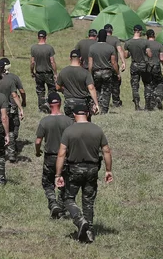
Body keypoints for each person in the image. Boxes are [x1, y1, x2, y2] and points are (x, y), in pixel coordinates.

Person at [55, 104, 113, 243]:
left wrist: (58, 175)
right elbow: (106, 151)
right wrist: (108, 170)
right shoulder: (97, 130)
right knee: (88, 201)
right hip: (92, 169)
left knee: (67, 198)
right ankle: (89, 233)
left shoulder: (69, 131)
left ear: (74, 114)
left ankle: (79, 220)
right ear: (87, 113)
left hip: (74, 169)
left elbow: (61, 154)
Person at [35, 92, 74, 220]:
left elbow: (38, 141)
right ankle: (61, 210)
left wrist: (37, 151)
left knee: (47, 183)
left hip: (50, 157)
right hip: (66, 157)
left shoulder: (44, 121)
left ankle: (52, 203)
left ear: (49, 105)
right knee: (65, 183)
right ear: (60, 103)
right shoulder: (69, 121)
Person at [0, 59, 23, 162]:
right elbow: (15, 95)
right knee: (10, 130)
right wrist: (20, 108)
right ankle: (11, 153)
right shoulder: (9, 81)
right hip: (7, 108)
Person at [57, 49, 100, 117]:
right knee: (83, 125)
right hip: (82, 103)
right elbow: (91, 88)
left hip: (69, 102)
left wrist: (64, 90)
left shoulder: (63, 71)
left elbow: (57, 87)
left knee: (70, 124)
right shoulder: (85, 73)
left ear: (70, 58)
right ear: (80, 58)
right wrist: (96, 103)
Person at [88, 30, 118, 114]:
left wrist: (90, 74)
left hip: (96, 72)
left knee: (96, 90)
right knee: (107, 91)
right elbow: (113, 63)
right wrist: (117, 73)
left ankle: (95, 107)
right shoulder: (110, 48)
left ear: (97, 37)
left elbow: (90, 63)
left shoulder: (92, 48)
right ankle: (104, 110)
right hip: (107, 72)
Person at [123, 25, 152, 111]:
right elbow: (149, 54)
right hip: (144, 65)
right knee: (147, 84)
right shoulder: (145, 42)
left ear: (134, 31)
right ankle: (147, 105)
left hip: (134, 66)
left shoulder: (128, 43)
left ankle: (136, 105)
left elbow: (126, 56)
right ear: (140, 31)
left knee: (135, 86)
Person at [30, 30, 57, 113]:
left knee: (40, 90)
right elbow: (52, 62)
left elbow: (32, 62)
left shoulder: (34, 48)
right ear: (45, 37)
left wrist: (32, 71)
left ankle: (41, 108)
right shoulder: (49, 48)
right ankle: (51, 106)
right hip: (48, 73)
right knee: (51, 89)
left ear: (38, 37)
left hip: (38, 73)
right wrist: (55, 73)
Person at [104, 24, 126, 108]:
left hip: (102, 65)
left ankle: (103, 101)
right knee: (116, 84)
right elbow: (120, 50)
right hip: (113, 66)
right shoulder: (115, 39)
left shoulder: (101, 39)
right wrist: (123, 62)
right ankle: (116, 102)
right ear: (111, 31)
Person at [145, 29, 163, 110]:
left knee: (148, 85)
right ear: (154, 35)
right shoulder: (159, 45)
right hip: (156, 67)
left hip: (147, 67)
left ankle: (149, 104)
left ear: (147, 36)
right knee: (159, 83)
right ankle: (158, 96)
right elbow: (162, 58)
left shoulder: (145, 44)